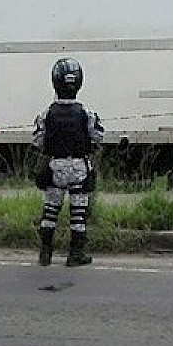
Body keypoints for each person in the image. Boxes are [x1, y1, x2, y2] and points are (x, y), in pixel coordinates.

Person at [33, 58, 104, 267]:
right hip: (79, 167)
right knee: (78, 214)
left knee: (50, 210)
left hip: (55, 166)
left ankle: (45, 254)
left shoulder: (46, 114)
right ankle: (75, 255)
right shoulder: (86, 113)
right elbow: (98, 136)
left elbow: (37, 140)